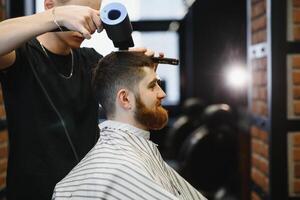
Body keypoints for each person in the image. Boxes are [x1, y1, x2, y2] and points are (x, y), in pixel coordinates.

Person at [0, 0, 156, 199]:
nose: (85, 29)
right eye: (81, 16)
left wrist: (142, 78)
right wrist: (56, 16)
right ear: (49, 5)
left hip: (87, 192)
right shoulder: (22, 55)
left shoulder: (91, 61)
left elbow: (128, 104)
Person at [52, 51, 207, 200]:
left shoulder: (126, 153)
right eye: (152, 85)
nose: (162, 93)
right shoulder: (122, 168)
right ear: (125, 99)